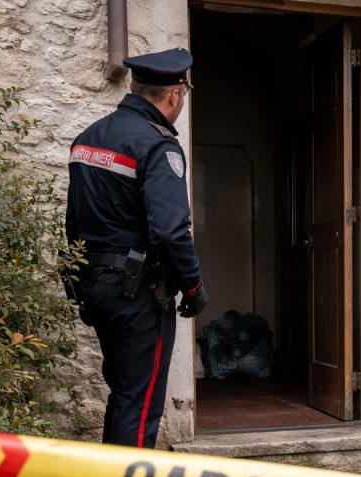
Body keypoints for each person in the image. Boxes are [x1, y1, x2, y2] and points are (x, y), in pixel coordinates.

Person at [65, 48, 208, 450]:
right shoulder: (158, 146)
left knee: (124, 396)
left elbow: (73, 221)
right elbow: (171, 232)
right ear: (176, 94)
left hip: (97, 286)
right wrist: (194, 288)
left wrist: (82, 283)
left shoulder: (87, 139)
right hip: (138, 293)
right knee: (141, 406)